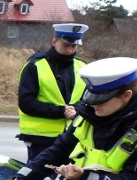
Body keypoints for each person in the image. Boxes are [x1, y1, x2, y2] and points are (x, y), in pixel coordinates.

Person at [17, 23, 89, 161]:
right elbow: (26, 103)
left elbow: (89, 100)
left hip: (72, 136)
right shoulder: (34, 66)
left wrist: (77, 110)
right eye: (66, 45)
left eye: (73, 46)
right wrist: (61, 111)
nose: (69, 51)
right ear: (54, 41)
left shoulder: (83, 67)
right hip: (41, 139)